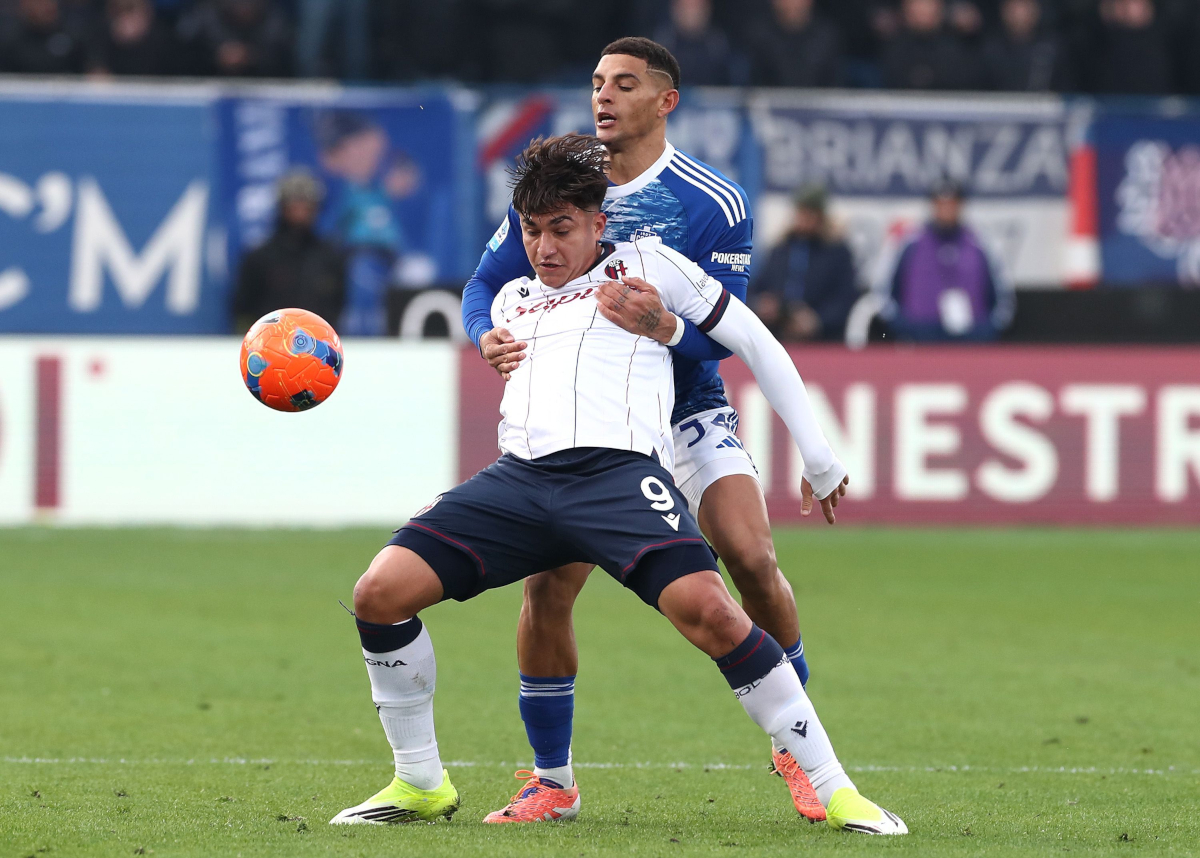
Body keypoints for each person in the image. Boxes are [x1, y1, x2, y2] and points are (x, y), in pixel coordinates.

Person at [332, 133, 905, 836]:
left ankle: (836, 787)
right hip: (519, 483)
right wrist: (482, 331)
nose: (544, 248)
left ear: (599, 225)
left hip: (618, 479)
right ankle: (421, 781)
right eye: (534, 231)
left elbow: (750, 339)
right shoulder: (513, 297)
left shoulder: (650, 267)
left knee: (718, 614)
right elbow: (480, 290)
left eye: (562, 230)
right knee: (377, 595)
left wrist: (817, 454)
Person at [461, 37, 835, 824]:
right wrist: (481, 334)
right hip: (590, 425)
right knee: (547, 587)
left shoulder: (712, 202)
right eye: (596, 82)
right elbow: (486, 282)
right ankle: (551, 780)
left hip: (685, 410)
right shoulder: (561, 186)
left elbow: (722, 335)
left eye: (624, 84)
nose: (603, 97)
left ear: (664, 101)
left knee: (753, 560)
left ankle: (795, 747)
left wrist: (666, 327)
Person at [879, 179, 1014, 342]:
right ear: (932, 206)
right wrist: (903, 326)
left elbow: (1002, 295)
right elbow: (884, 291)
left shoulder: (981, 242)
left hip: (971, 341)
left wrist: (987, 328)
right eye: (941, 205)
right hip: (919, 339)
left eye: (952, 205)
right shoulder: (909, 241)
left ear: (960, 206)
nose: (946, 210)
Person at [232, 169, 345, 333]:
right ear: (282, 207)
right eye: (294, 205)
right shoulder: (259, 258)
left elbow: (338, 307)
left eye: (307, 205)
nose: (300, 212)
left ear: (316, 209)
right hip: (269, 348)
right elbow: (243, 310)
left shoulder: (331, 258)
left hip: (318, 347)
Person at [748, 185, 859, 342]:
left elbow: (845, 299)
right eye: (801, 212)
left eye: (810, 213)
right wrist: (762, 304)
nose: (803, 219)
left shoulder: (837, 253)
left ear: (821, 217)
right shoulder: (780, 249)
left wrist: (817, 321)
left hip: (822, 342)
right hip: (775, 337)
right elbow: (755, 288)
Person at [880, 0, 980, 90]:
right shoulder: (894, 49)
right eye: (917, 3)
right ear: (905, 8)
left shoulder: (956, 48)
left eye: (928, 3)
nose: (923, 10)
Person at [744, 0, 842, 88]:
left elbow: (835, 88)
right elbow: (755, 87)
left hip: (820, 105)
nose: (792, 3)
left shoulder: (827, 37)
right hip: (771, 105)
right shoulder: (759, 36)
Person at [981, 0, 1070, 91]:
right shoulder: (989, 49)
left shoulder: (1052, 49)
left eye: (1025, 5)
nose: (1020, 13)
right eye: (1014, 6)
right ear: (1003, 10)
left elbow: (1066, 87)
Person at [0, 0, 87, 75]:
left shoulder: (72, 36)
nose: (46, 6)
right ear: (25, 4)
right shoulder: (10, 40)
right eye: (39, 2)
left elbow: (86, 73)